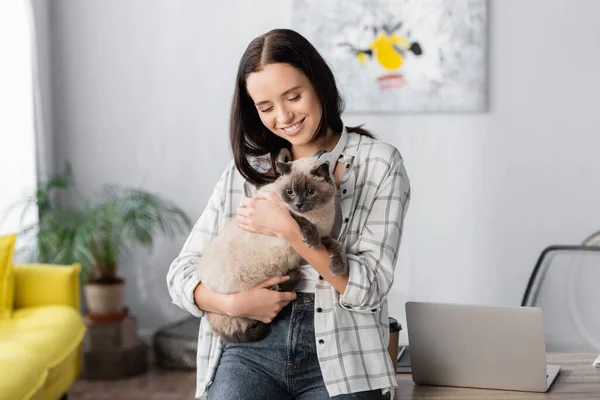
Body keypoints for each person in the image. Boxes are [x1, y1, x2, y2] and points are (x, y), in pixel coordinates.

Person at [167, 28, 410, 400]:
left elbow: (370, 287)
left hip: (343, 351)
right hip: (252, 346)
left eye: (294, 96)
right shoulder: (247, 172)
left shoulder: (379, 163)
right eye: (266, 108)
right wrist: (232, 304)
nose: (284, 116)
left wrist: (290, 229)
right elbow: (180, 275)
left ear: (319, 84)